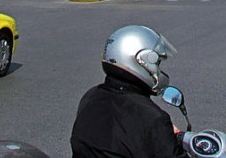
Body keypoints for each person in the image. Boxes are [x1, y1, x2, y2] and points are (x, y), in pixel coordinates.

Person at [70, 25, 188, 158]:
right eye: (157, 64)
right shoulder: (153, 118)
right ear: (142, 61)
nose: (158, 69)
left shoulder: (90, 97)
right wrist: (166, 136)